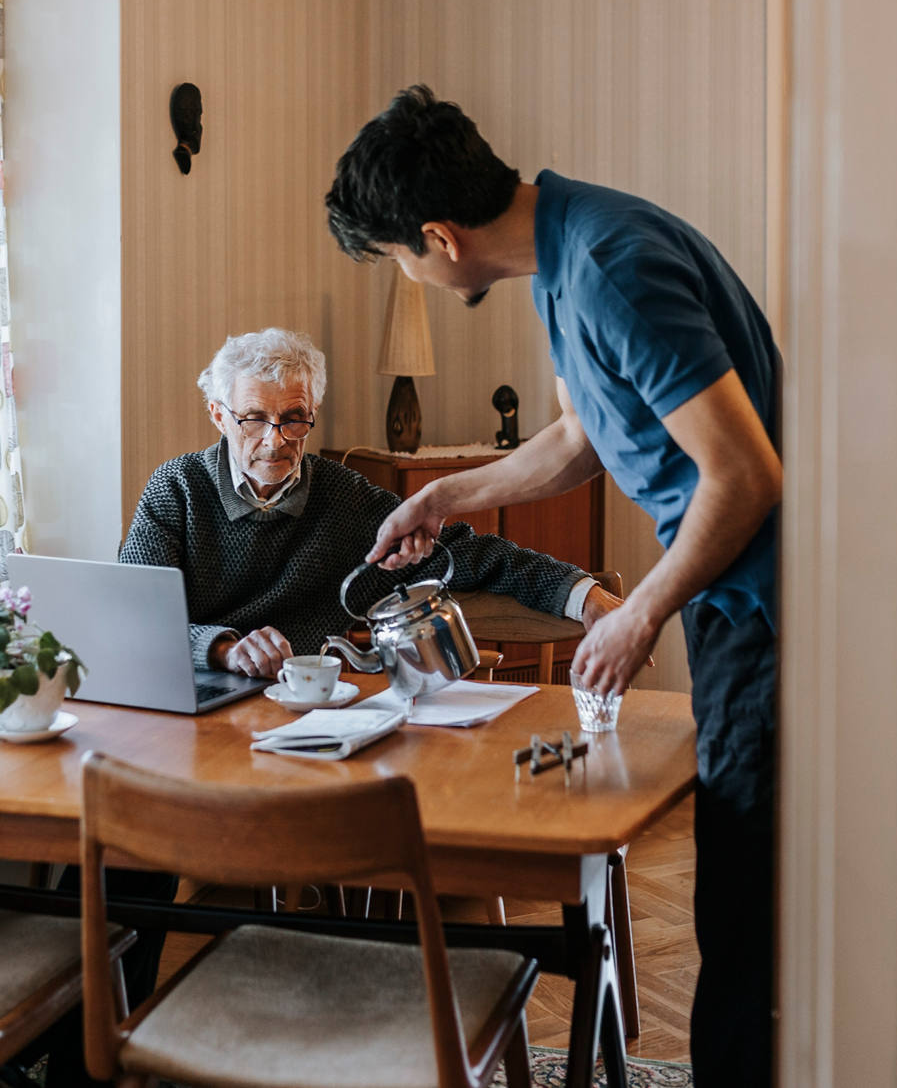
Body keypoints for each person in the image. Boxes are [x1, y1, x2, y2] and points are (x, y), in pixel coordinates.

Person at [326, 86, 783, 1086]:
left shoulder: (611, 270)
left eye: (399, 258)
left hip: (764, 612)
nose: (411, 273)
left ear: (437, 238)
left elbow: (745, 475)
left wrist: (641, 610)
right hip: (730, 600)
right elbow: (582, 438)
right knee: (739, 904)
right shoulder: (562, 250)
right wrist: (444, 495)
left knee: (746, 917)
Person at [120, 325, 624, 681]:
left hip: (307, 708)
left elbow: (470, 554)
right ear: (218, 415)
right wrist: (224, 649)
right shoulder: (177, 488)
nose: (275, 441)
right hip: (193, 693)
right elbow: (130, 616)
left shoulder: (344, 498)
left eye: (294, 418)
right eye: (253, 419)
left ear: (313, 411)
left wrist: (584, 595)